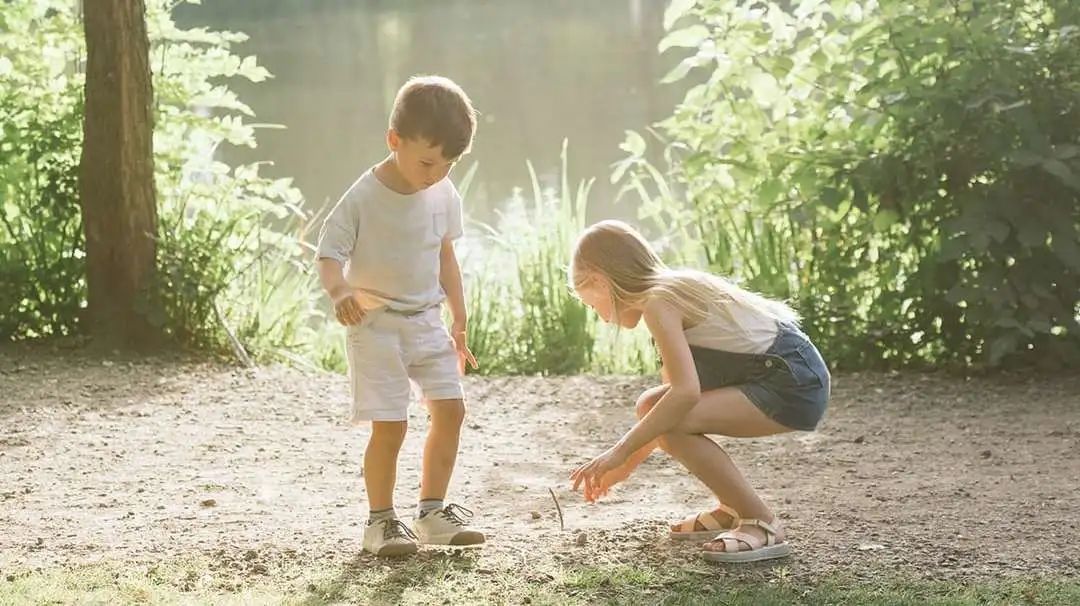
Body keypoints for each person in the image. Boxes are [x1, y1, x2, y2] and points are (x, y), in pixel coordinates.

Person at [568, 220, 830, 563]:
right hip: (788, 373)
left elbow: (684, 397)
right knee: (651, 405)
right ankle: (733, 506)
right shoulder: (667, 294)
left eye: (592, 305)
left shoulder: (661, 303)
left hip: (792, 383)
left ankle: (762, 523)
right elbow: (668, 401)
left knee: (670, 420)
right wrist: (625, 466)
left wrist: (618, 453)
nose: (601, 318)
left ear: (601, 282)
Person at [315, 75, 483, 557]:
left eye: (447, 164)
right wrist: (339, 289)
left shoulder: (443, 191)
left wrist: (459, 316)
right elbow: (329, 254)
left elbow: (444, 256)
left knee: (451, 410)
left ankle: (432, 512)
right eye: (427, 161)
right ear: (394, 141)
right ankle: (381, 522)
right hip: (376, 324)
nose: (435, 173)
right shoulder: (363, 197)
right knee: (392, 425)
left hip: (428, 320)